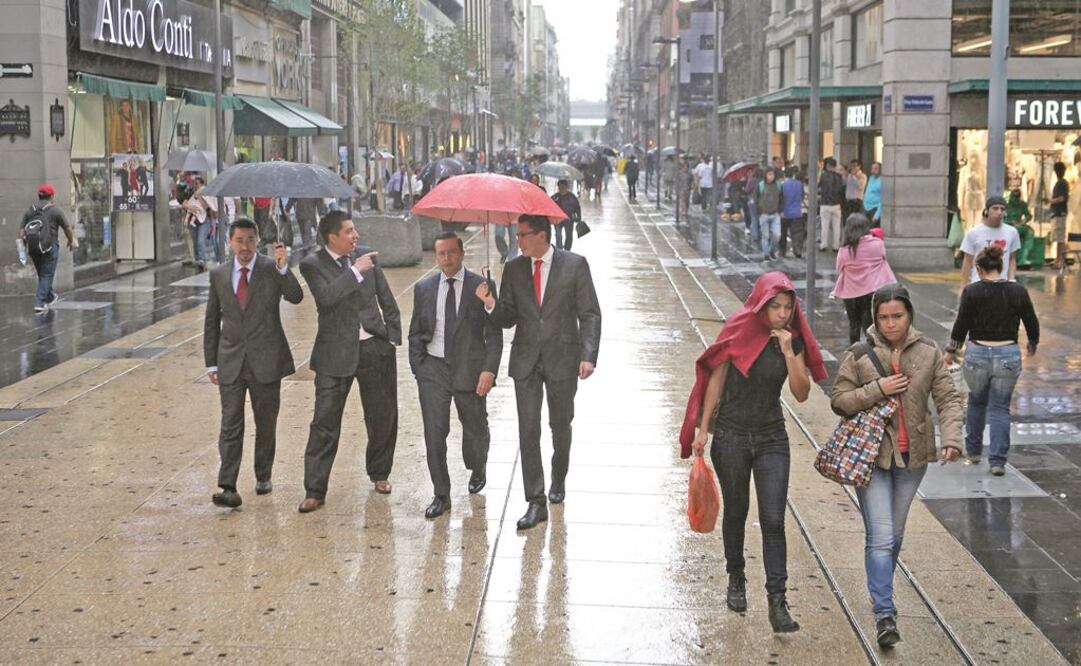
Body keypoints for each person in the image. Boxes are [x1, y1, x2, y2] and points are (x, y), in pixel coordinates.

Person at [681, 272, 827, 634]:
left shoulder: (790, 340)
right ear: (761, 305)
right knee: (737, 510)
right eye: (775, 307)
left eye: (787, 308)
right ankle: (736, 576)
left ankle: (778, 602)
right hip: (731, 434)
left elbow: (802, 393)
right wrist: (703, 429)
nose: (782, 314)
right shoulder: (738, 329)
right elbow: (715, 379)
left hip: (771, 437)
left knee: (774, 519)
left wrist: (789, 351)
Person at [831, 283, 964, 649]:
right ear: (874, 318)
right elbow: (839, 400)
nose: (891, 324)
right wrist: (879, 388)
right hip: (872, 458)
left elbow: (948, 398)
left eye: (898, 316)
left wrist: (952, 438)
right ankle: (884, 613)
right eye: (884, 317)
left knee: (896, 534)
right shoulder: (859, 353)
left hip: (913, 459)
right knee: (881, 536)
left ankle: (880, 589)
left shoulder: (928, 351)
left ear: (909, 315)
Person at [474, 214, 602, 530]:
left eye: (522, 235)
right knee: (528, 429)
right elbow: (507, 318)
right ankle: (535, 500)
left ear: (541, 236)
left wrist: (588, 356)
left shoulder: (575, 265)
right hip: (526, 360)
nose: (517, 240)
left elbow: (590, 314)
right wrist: (490, 302)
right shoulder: (515, 268)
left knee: (560, 425)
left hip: (563, 357)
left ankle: (559, 474)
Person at [298, 211, 402, 513]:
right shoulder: (312, 265)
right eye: (349, 231)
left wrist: (392, 337)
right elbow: (326, 298)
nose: (355, 236)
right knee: (324, 421)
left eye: (354, 230)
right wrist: (355, 271)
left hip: (374, 348)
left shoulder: (367, 257)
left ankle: (380, 473)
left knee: (382, 416)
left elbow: (386, 298)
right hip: (334, 354)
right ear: (332, 237)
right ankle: (314, 490)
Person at [204, 220, 303, 508]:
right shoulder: (219, 275)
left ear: (258, 241)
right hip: (231, 361)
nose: (245, 246)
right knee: (230, 423)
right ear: (230, 242)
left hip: (266, 359)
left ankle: (263, 474)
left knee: (266, 421)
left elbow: (296, 297)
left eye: (250, 240)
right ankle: (228, 485)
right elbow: (212, 321)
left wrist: (284, 268)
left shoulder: (271, 269)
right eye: (239, 240)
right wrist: (211, 363)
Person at [409, 233, 503, 518]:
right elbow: (415, 331)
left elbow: (495, 333)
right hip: (433, 369)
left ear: (462, 253)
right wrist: (419, 367)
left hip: (470, 370)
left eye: (451, 252)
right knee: (434, 433)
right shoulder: (424, 288)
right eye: (441, 253)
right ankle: (441, 494)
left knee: (475, 430)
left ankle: (478, 466)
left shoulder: (481, 285)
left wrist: (489, 370)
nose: (447, 258)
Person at [946, 246, 1039, 476]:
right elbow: (1031, 320)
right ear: (1001, 266)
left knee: (976, 402)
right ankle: (997, 461)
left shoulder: (972, 291)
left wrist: (951, 349)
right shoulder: (1017, 291)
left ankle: (974, 451)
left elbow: (961, 324)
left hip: (977, 353)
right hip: (1007, 353)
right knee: (1000, 407)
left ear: (979, 268)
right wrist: (1032, 342)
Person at [832, 214, 897, 344]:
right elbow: (883, 258)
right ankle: (872, 350)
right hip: (872, 289)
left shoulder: (845, 250)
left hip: (851, 293)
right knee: (870, 324)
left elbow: (839, 268)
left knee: (854, 324)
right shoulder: (878, 244)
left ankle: (854, 350)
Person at [19, 184, 75, 314]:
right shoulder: (56, 211)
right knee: (46, 274)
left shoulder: (30, 211)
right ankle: (39, 303)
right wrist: (71, 240)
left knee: (42, 274)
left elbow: (21, 231)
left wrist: (22, 247)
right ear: (52, 196)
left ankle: (50, 296)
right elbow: (67, 228)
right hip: (50, 246)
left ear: (39, 196)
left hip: (33, 247)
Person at [960, 195, 1020, 283]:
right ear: (987, 211)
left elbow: (1012, 258)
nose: (999, 212)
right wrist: (963, 284)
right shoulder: (973, 232)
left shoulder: (1012, 232)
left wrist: (1011, 280)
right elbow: (967, 261)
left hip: (1002, 284)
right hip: (978, 283)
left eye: (1002, 209)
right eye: (995, 208)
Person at [818, 157, 846, 251]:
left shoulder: (823, 175)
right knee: (837, 226)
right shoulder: (839, 176)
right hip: (836, 204)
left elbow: (818, 186)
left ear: (828, 165)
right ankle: (836, 245)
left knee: (824, 225)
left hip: (825, 203)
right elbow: (842, 189)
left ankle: (824, 244)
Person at [757, 168, 783, 260]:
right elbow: (756, 198)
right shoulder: (761, 185)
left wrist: (780, 210)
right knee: (765, 236)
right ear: (765, 175)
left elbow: (782, 198)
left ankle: (771, 250)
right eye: (769, 174)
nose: (771, 176)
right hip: (764, 214)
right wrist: (759, 211)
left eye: (772, 174)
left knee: (777, 235)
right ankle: (766, 254)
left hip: (775, 214)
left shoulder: (778, 185)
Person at [779, 166, 805, 258]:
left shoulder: (782, 185)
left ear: (784, 175)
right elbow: (802, 196)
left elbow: (780, 199)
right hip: (797, 212)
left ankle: (782, 251)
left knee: (783, 233)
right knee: (797, 233)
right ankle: (797, 250)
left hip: (785, 213)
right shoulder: (799, 184)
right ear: (793, 174)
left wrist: (780, 211)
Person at [1049, 161, 1070, 269]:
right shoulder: (1060, 183)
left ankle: (1061, 260)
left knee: (1060, 238)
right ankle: (1058, 259)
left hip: (1060, 213)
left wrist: (1051, 201)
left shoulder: (1062, 183)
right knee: (1058, 238)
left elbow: (1062, 198)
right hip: (1057, 213)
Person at [551, 179, 581, 252]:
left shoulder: (572, 197)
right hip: (557, 220)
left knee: (569, 236)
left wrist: (578, 217)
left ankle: (567, 250)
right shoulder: (555, 197)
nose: (561, 188)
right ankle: (560, 250)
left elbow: (577, 207)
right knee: (558, 235)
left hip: (569, 220)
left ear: (567, 187)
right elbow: (549, 207)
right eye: (560, 187)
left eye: (563, 187)